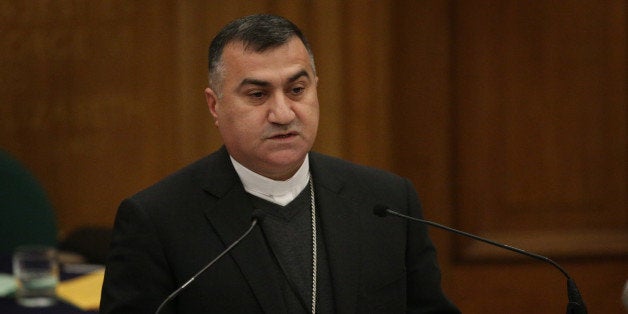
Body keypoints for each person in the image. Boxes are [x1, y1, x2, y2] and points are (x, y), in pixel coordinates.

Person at [100, 14, 459, 313]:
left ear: (316, 88)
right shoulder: (158, 221)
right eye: (258, 95)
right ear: (215, 105)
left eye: (297, 90)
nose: (283, 113)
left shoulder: (387, 202)